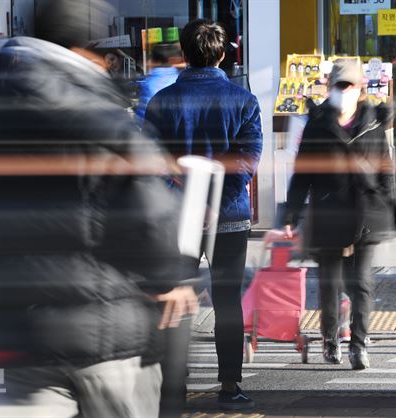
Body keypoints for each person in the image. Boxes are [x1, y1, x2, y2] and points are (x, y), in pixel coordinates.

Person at [0, 0, 198, 416]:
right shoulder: (106, 120)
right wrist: (168, 277)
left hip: (22, 342)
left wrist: (2, 285)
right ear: (81, 50)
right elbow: (151, 214)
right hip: (108, 340)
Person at [145, 18, 263, 410]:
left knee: (176, 299)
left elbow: (153, 163)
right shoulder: (243, 100)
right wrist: (218, 200)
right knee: (227, 301)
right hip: (228, 216)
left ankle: (173, 389)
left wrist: (187, 196)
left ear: (183, 54)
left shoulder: (161, 102)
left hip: (177, 218)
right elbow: (247, 160)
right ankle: (230, 386)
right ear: (224, 54)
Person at [278, 59, 395, 370]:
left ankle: (359, 345)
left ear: (360, 89)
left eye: (348, 86)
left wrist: (390, 204)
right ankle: (330, 339)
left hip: (365, 214)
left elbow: (386, 169)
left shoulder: (372, 124)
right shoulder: (317, 125)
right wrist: (290, 215)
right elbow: (302, 175)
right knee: (329, 283)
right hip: (328, 212)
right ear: (330, 89)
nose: (343, 92)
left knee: (362, 283)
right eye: (338, 86)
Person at [135, 42, 184, 122]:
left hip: (157, 129)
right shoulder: (180, 78)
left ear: (155, 61)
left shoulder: (149, 83)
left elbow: (143, 114)